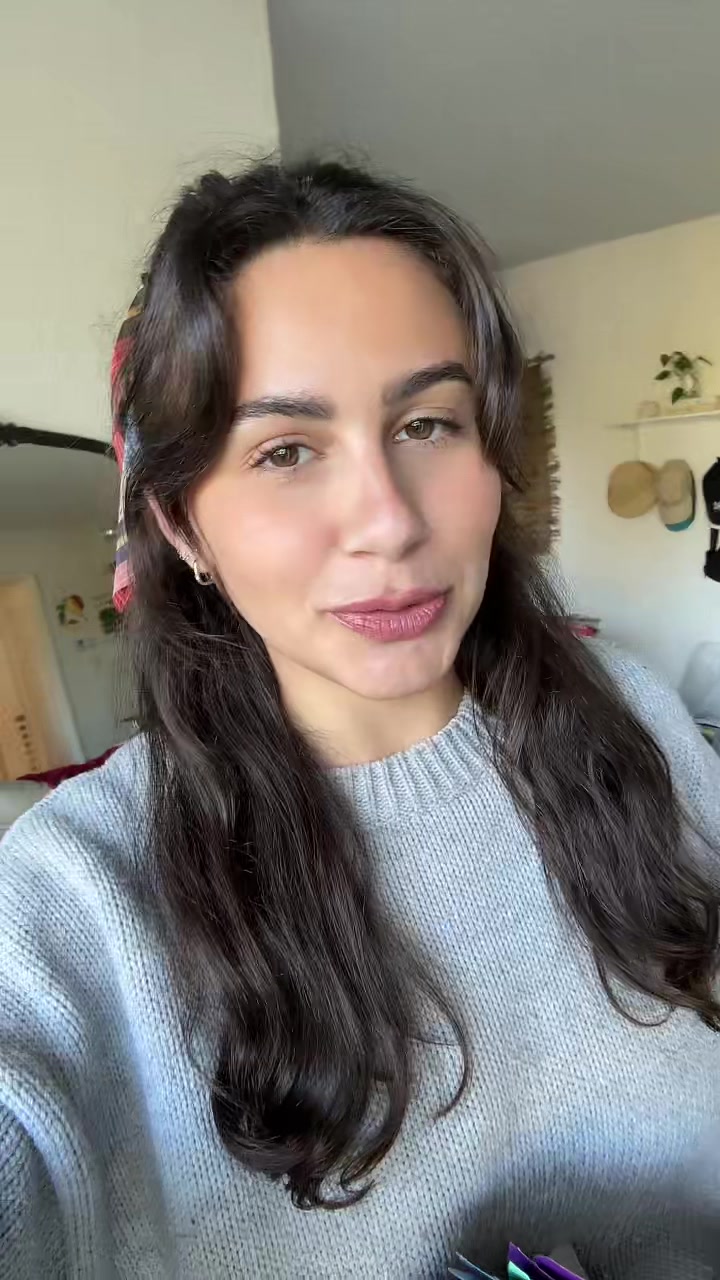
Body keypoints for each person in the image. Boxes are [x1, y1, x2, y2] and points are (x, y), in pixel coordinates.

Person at [0, 159, 718, 1280]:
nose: (388, 521)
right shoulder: (72, 897)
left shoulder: (632, 716)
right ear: (182, 525)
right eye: (285, 450)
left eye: (428, 424)